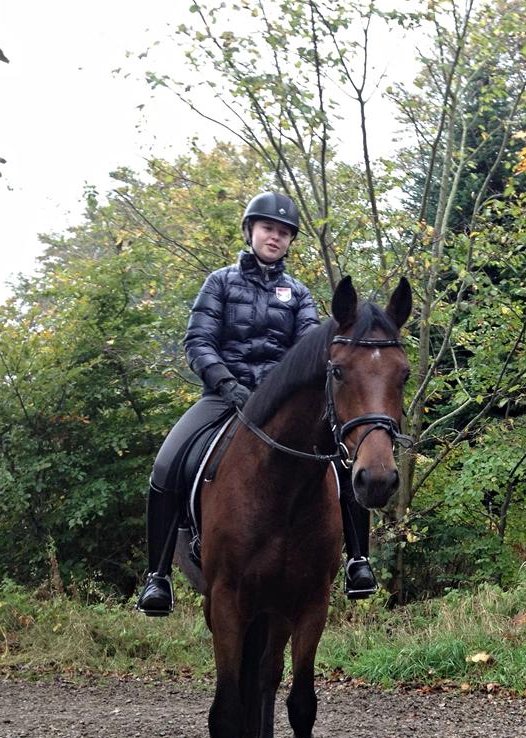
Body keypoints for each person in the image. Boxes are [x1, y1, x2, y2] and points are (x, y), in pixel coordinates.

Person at [135, 191, 378, 615]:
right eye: (268, 228)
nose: (275, 237)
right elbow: (198, 342)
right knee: (166, 463)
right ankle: (158, 576)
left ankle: (358, 560)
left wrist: (279, 394)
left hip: (279, 407)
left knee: (345, 459)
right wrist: (227, 384)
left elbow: (308, 353)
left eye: (284, 233)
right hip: (223, 396)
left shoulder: (299, 294)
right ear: (250, 231)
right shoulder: (220, 283)